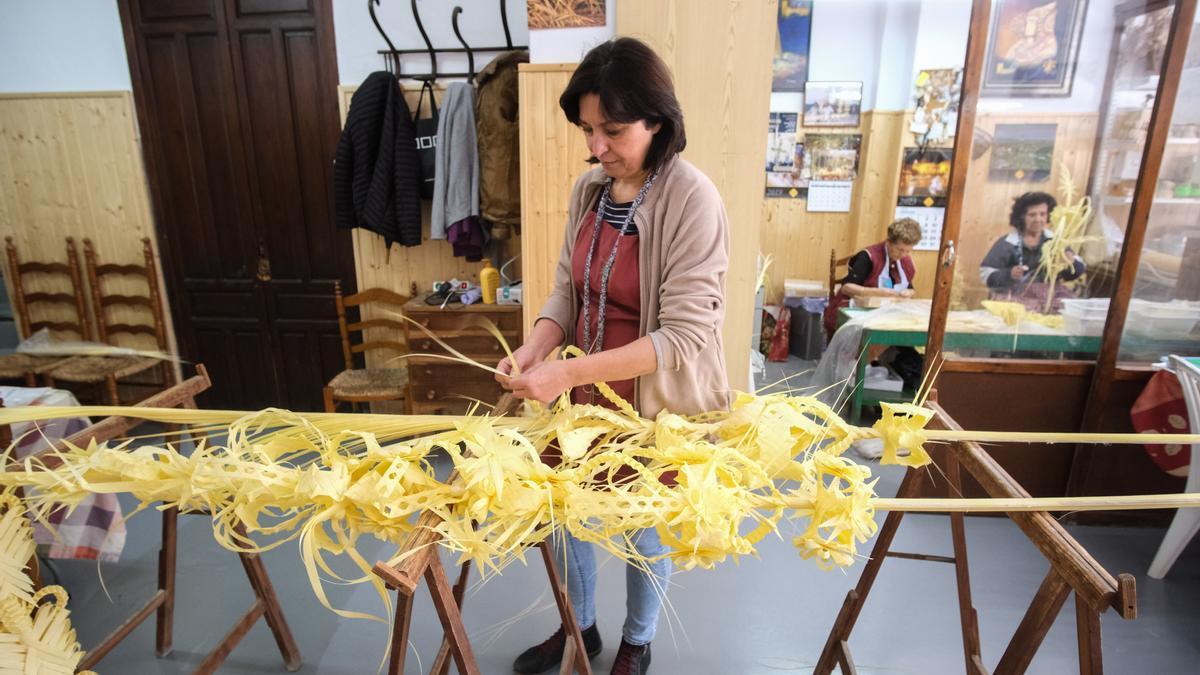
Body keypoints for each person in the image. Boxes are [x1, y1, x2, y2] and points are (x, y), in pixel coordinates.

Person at [496, 37, 730, 675]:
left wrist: (565, 371)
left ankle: (637, 640)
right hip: (580, 398)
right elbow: (566, 292)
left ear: (657, 120)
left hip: (653, 406)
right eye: (587, 130)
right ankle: (579, 627)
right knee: (564, 515)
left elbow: (683, 337)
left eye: (614, 131)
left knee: (641, 529)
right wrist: (534, 348)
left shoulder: (692, 200)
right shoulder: (590, 191)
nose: (597, 147)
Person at [980, 191, 1085, 312]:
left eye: (1042, 214)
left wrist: (1069, 263)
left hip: (1049, 300)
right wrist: (1009, 274)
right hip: (1014, 300)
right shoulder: (1008, 243)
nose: (1038, 219)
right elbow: (986, 273)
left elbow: (1077, 270)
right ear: (1021, 217)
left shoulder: (1055, 241)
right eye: (1032, 215)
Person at [822, 218, 922, 341]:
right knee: (878, 337)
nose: (903, 255)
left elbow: (910, 287)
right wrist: (878, 292)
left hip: (885, 313)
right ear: (889, 242)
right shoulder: (868, 256)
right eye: (900, 249)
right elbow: (846, 288)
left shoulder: (905, 262)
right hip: (855, 310)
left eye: (908, 251)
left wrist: (909, 293)